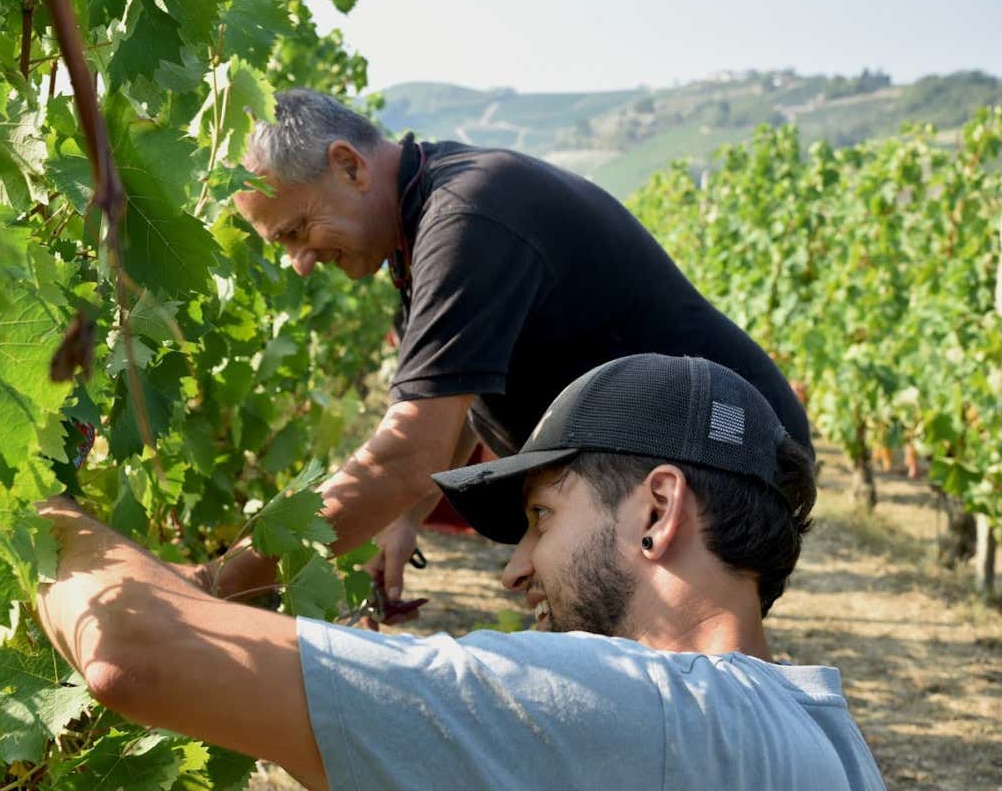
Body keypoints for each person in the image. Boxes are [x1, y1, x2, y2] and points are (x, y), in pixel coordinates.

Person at [36, 354, 884, 790]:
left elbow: (136, 652)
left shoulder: (652, 715)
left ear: (658, 511)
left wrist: (34, 511)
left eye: (542, 518)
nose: (517, 569)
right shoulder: (815, 739)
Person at [226, 89, 813, 612]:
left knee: (649, 679)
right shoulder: (420, 228)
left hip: (726, 462)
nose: (299, 263)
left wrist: (218, 583)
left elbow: (407, 453)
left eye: (296, 231)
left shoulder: (466, 216)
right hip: (672, 472)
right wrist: (401, 521)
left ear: (348, 165)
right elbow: (454, 404)